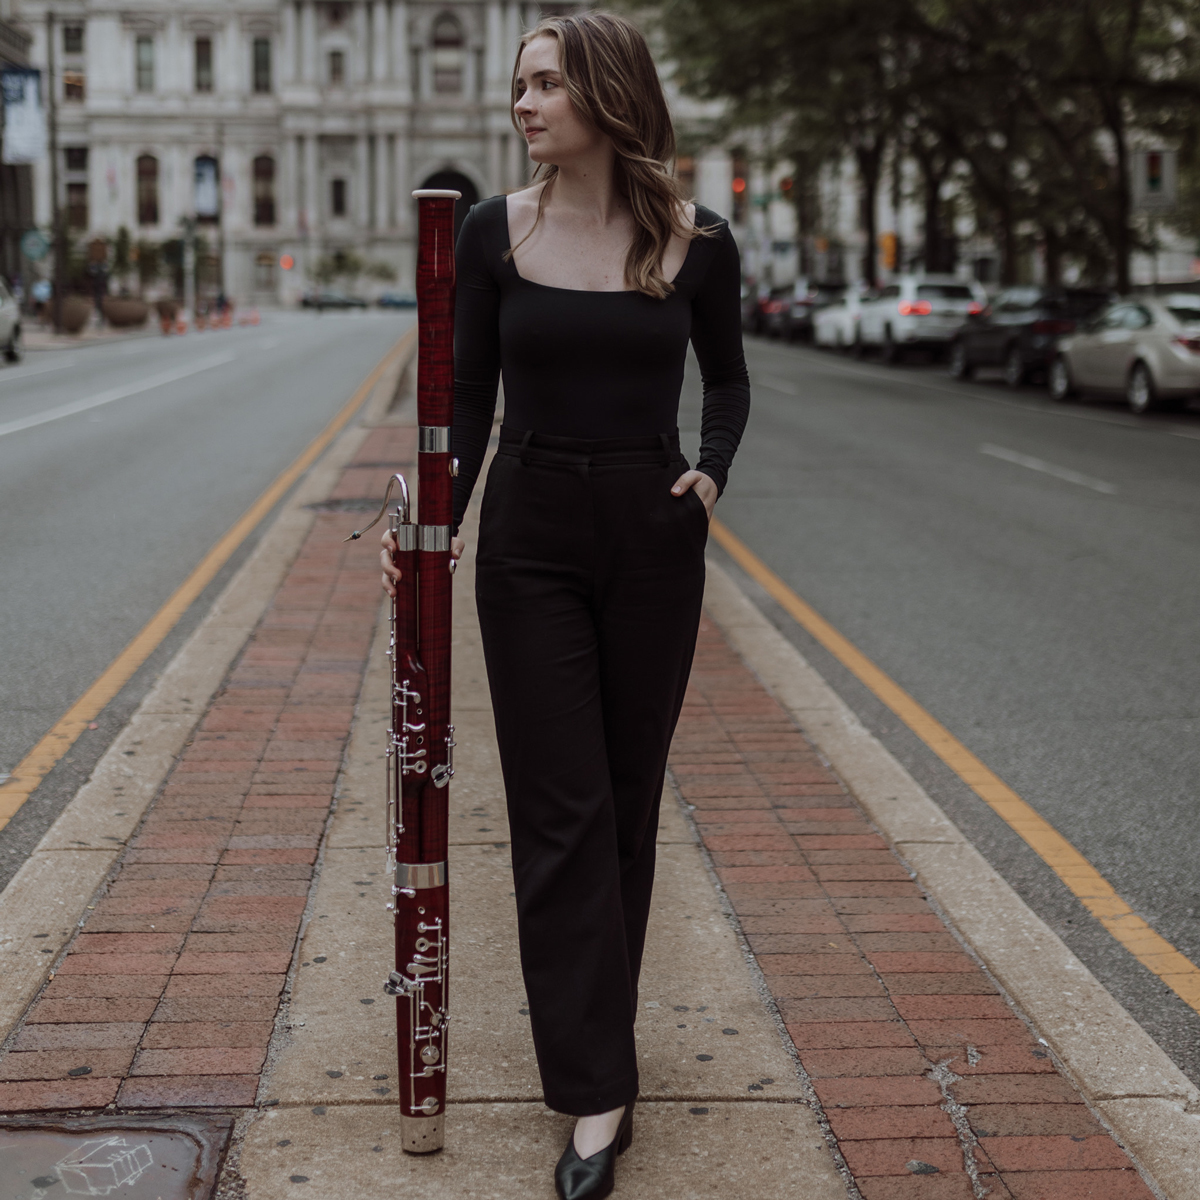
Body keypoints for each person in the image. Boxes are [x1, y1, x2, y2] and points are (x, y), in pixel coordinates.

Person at [382, 13, 749, 1198]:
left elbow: (728, 379)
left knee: (626, 808)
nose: (523, 103)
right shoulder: (494, 230)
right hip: (529, 535)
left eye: (545, 83)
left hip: (652, 532)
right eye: (520, 83)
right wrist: (433, 526)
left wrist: (709, 476)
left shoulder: (698, 240)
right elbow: (468, 396)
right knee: (560, 814)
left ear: (605, 93)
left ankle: (605, 1057)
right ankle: (594, 1093)